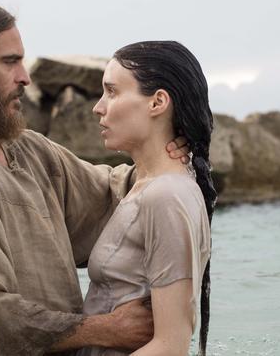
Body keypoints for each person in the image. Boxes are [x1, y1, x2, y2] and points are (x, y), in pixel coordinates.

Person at [0, 0, 188, 355]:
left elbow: (110, 199)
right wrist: (105, 329)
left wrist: (170, 155)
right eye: (9, 61)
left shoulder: (25, 149)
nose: (25, 77)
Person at [78, 41, 217, 356]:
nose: (98, 107)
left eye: (112, 92)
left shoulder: (166, 195)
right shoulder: (147, 187)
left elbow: (171, 346)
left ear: (157, 102)